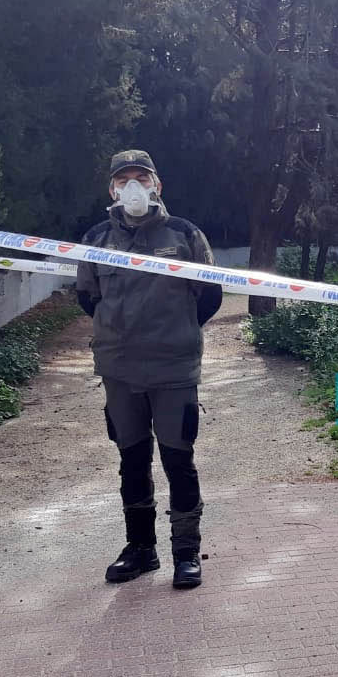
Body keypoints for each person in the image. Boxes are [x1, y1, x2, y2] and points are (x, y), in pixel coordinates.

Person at [76, 150, 222, 588]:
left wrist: (175, 332)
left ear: (158, 185)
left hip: (173, 369)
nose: (134, 186)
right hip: (120, 371)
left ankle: (186, 553)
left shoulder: (184, 235)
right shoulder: (97, 238)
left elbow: (209, 296)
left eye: (142, 177)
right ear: (112, 190)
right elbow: (87, 296)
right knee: (132, 461)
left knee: (179, 459)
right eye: (125, 179)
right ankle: (140, 549)